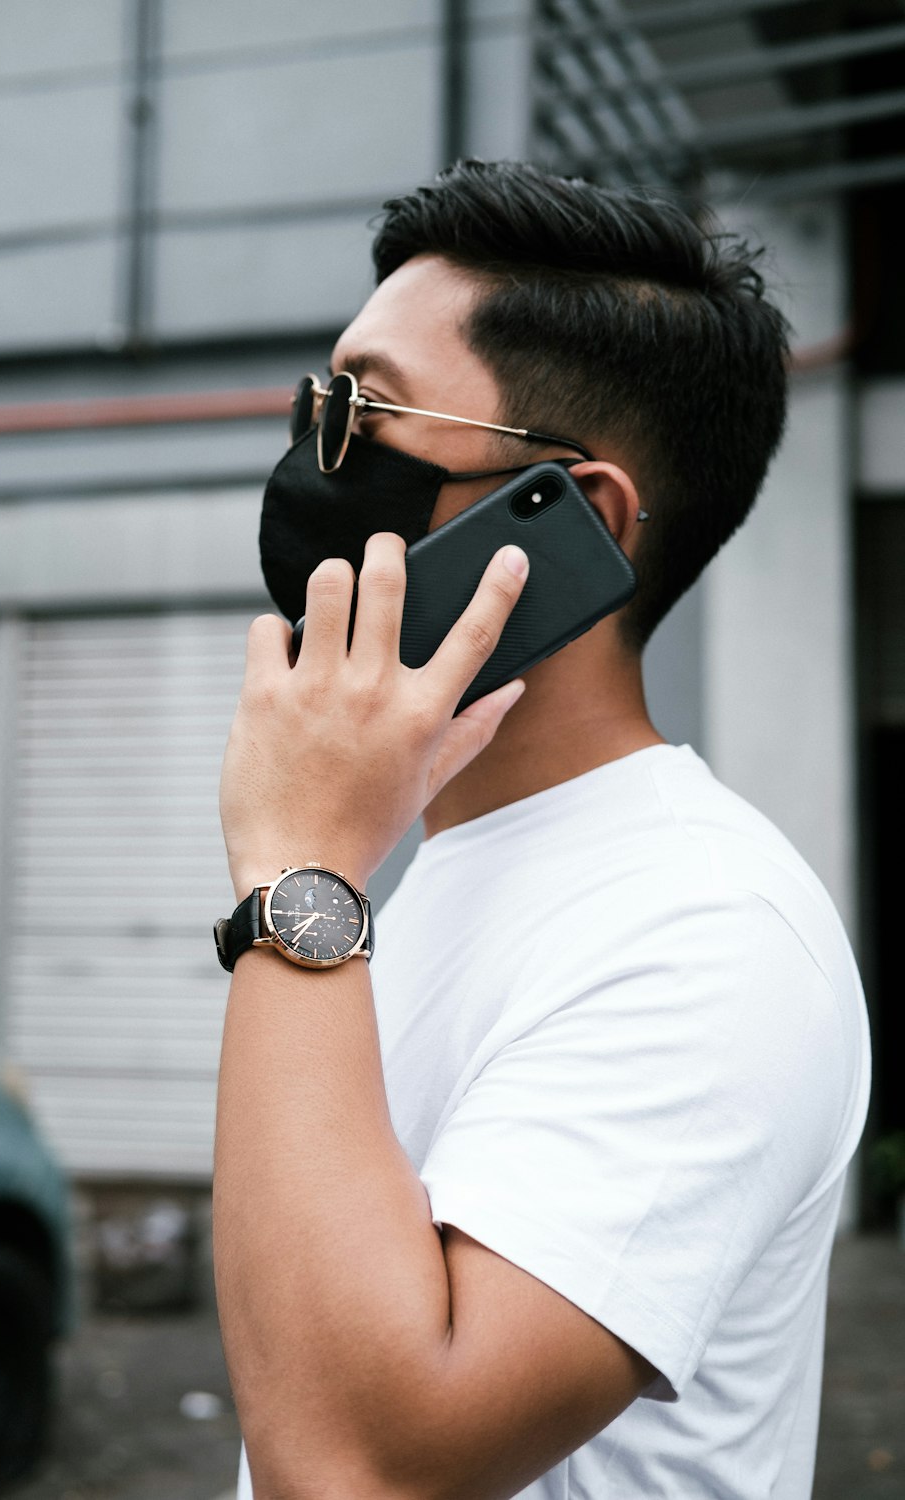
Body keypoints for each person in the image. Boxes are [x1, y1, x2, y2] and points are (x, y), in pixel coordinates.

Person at [212, 161, 870, 1500]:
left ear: (575, 518)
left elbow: (355, 1467)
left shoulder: (707, 932)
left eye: (366, 409)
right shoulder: (431, 860)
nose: (316, 447)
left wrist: (297, 874)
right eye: (319, 399)